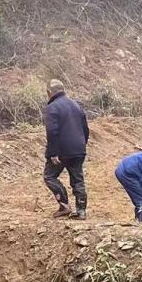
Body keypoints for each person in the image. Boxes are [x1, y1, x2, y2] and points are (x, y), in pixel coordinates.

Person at [42, 79, 89, 219]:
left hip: (62, 151)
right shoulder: (76, 105)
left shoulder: (52, 107)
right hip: (78, 149)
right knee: (78, 180)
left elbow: (52, 131)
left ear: (49, 92)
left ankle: (64, 205)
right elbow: (85, 129)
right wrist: (82, 144)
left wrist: (53, 152)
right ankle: (81, 211)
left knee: (49, 176)